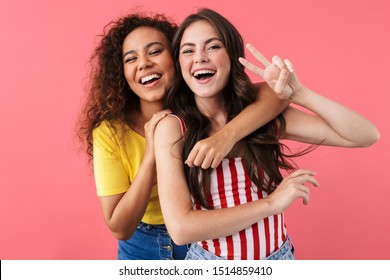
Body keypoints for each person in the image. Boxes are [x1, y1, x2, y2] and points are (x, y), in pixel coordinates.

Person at [154, 8, 380, 260]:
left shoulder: (264, 117)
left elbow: (366, 135)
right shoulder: (173, 128)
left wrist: (301, 94)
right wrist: (271, 204)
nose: (200, 58)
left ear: (232, 56)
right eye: (188, 50)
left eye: (213, 47)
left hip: (280, 258)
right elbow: (181, 230)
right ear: (180, 63)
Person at [76, 12, 287, 260]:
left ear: (177, 58)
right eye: (131, 59)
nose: (143, 63)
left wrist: (226, 135)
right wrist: (151, 156)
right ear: (121, 73)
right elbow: (120, 227)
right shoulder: (110, 132)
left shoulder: (206, 106)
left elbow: (277, 94)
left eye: (154, 51)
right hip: (143, 244)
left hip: (208, 233)